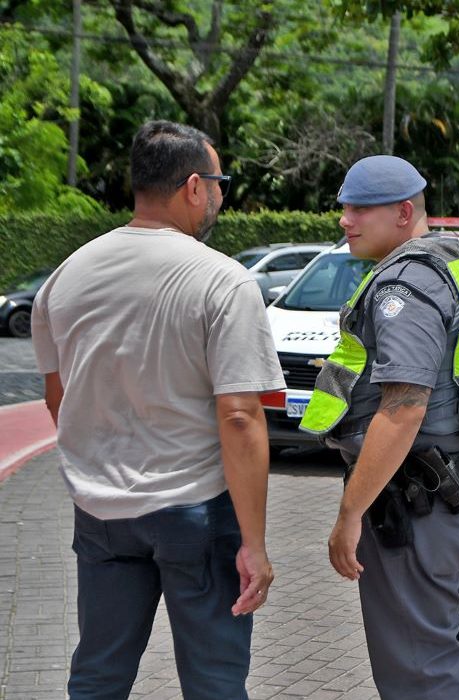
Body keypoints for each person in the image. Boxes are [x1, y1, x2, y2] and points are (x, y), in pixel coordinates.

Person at [30, 120, 282, 699]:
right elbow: (240, 416)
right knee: (214, 682)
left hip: (100, 512)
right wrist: (255, 543)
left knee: (97, 675)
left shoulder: (65, 277)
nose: (221, 196)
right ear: (194, 186)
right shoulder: (223, 281)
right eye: (218, 183)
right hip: (195, 509)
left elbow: (56, 398)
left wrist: (99, 466)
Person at [300, 155, 459, 700]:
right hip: (452, 489)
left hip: (418, 505)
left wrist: (349, 514)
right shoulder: (452, 265)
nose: (345, 219)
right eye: (344, 206)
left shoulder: (404, 286)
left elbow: (404, 406)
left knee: (420, 672)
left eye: (360, 207)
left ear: (404, 211)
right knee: (441, 654)